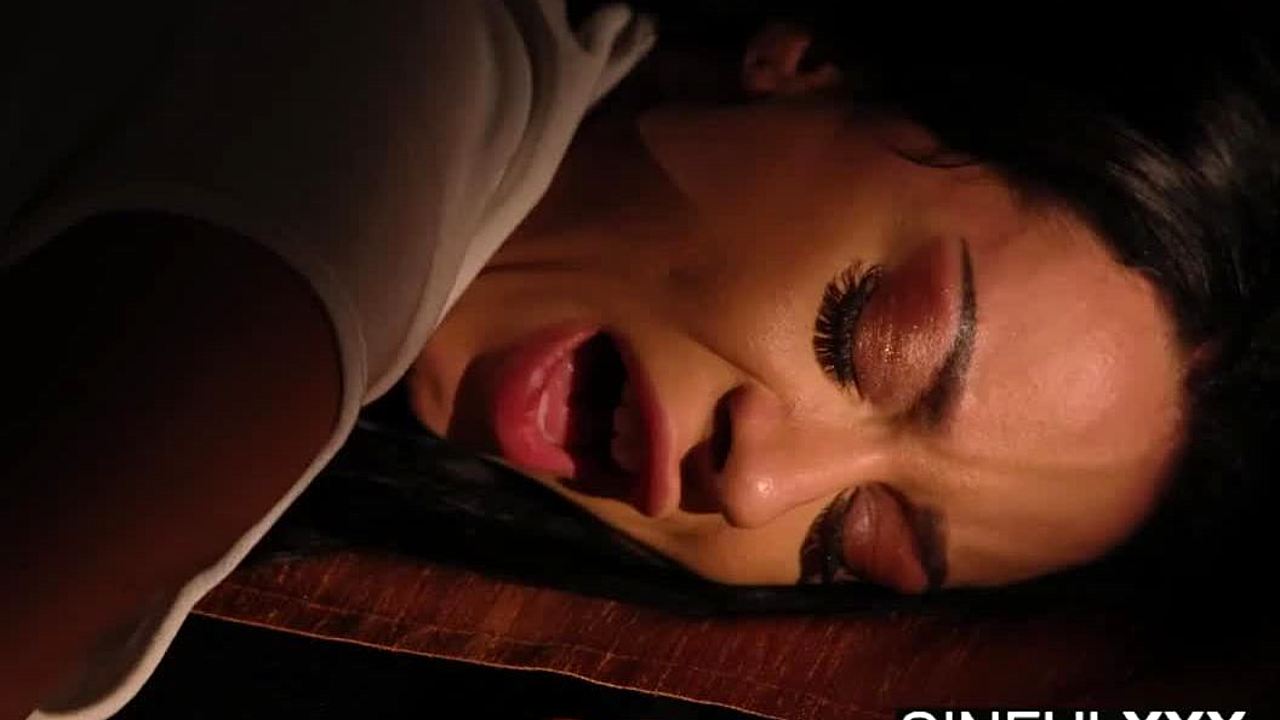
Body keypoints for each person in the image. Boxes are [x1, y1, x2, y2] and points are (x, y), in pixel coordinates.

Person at [2, 1, 1277, 718]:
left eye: (847, 541)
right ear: (808, 60)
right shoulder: (363, 133)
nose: (755, 489)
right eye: (872, 344)